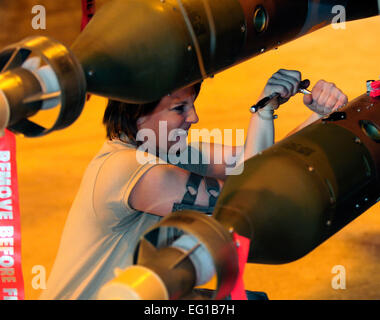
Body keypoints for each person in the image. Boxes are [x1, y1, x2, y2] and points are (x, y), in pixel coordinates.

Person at [39, 69, 348, 300]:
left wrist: (320, 119)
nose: (194, 117)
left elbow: (261, 163)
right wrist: (262, 113)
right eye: (179, 109)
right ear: (137, 114)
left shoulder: (163, 148)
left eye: (191, 105)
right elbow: (249, 193)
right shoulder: (126, 169)